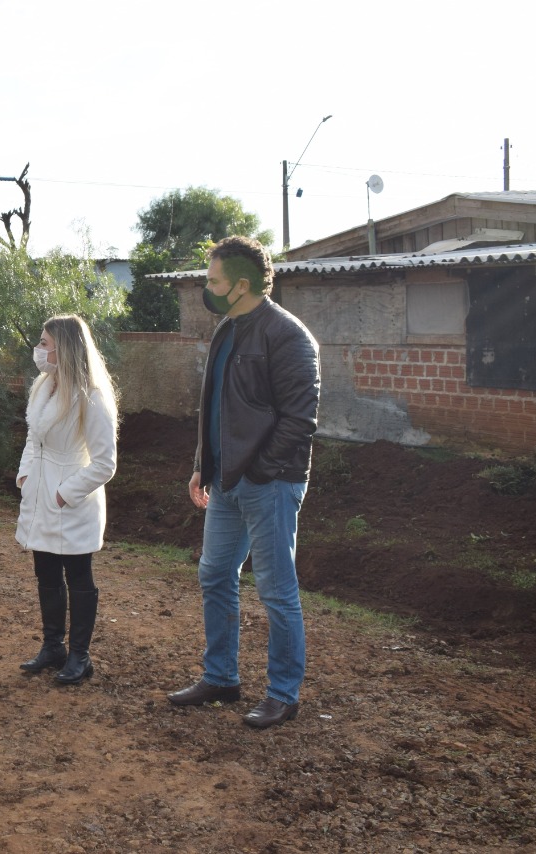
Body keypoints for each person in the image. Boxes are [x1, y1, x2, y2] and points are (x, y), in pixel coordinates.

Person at [167, 236, 321, 729]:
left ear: (241, 284)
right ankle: (221, 678)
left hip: (269, 483)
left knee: (276, 591)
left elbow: (301, 420)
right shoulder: (226, 330)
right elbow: (212, 405)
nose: (206, 290)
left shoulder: (289, 337)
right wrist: (202, 464)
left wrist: (259, 470)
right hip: (225, 480)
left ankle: (282, 693)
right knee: (214, 574)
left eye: (213, 281)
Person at [15, 315, 118, 685]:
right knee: (45, 570)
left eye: (45, 343)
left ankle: (80, 655)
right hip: (39, 490)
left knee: (77, 574)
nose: (39, 350)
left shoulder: (91, 395)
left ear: (66, 348)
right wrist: (25, 475)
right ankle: (53, 646)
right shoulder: (45, 386)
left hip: (70, 498)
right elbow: (34, 437)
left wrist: (64, 493)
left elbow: (105, 463)